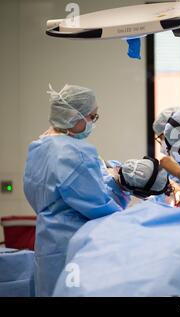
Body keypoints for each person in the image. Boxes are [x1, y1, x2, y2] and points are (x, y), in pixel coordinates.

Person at [23, 84, 130, 296]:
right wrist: (121, 191)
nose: (93, 123)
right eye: (92, 117)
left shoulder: (38, 147)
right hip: (73, 244)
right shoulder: (73, 152)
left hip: (47, 242)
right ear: (74, 116)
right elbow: (96, 204)